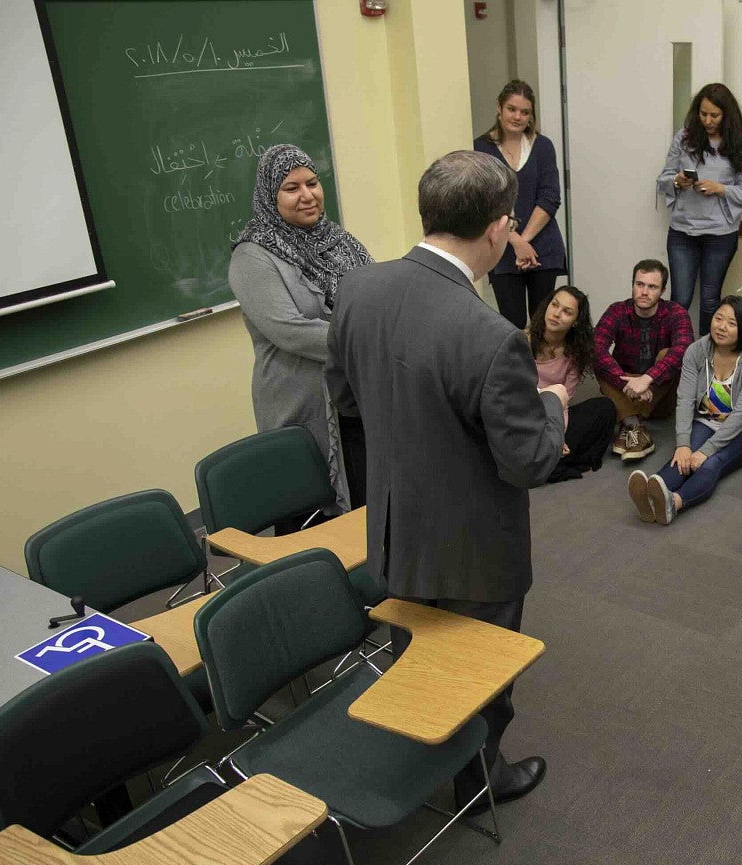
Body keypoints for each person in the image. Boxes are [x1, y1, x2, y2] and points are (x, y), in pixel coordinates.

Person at [325, 150, 567, 812]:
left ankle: (422, 760)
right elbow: (528, 462)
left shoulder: (358, 289)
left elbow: (346, 401)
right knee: (481, 670)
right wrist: (554, 406)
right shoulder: (490, 337)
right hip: (475, 547)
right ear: (497, 228)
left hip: (397, 530)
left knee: (418, 649)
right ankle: (481, 780)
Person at [229, 144, 373, 526]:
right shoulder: (253, 255)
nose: (307, 195)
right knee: (312, 517)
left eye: (312, 182)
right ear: (269, 195)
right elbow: (289, 330)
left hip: (355, 397)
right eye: (291, 188)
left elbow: (372, 296)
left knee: (365, 505)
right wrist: (368, 338)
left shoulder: (339, 240)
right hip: (303, 406)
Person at [627, 297, 742, 525]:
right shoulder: (696, 350)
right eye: (718, 318)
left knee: (710, 462)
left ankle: (674, 502)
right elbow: (684, 399)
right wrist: (683, 443)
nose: (721, 326)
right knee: (682, 458)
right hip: (706, 420)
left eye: (731, 323)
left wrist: (707, 449)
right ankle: (654, 491)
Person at [656, 82, 742, 334]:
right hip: (683, 230)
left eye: (715, 115)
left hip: (720, 233)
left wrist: (719, 188)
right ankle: (675, 357)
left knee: (711, 301)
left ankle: (708, 357)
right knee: (680, 299)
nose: (708, 120)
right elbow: (664, 178)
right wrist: (678, 181)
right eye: (703, 114)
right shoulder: (684, 137)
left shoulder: (740, 139)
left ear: (727, 114)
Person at [473, 80, 566, 329]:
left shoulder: (543, 146)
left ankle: (543, 370)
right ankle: (518, 370)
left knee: (545, 326)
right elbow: (485, 201)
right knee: (511, 326)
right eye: (512, 109)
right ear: (499, 108)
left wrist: (524, 241)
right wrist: (515, 242)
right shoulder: (480, 148)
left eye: (525, 112)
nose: (518, 116)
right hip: (502, 251)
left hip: (543, 249)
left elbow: (550, 197)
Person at [592, 259, 694, 461]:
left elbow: (684, 349)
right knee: (600, 360)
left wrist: (648, 379)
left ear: (662, 290)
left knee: (669, 355)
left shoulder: (676, 313)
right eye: (640, 284)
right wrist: (628, 384)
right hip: (625, 385)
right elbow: (597, 348)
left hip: (659, 394)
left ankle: (626, 418)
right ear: (632, 285)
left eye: (652, 286)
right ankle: (634, 425)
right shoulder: (617, 310)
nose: (644, 292)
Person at [528, 286, 616, 482]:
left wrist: (557, 436)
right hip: (524, 418)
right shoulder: (521, 340)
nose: (556, 314)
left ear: (575, 322)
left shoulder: (576, 353)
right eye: (554, 305)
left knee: (605, 408)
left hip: (553, 417)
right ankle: (550, 463)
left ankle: (548, 462)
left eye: (567, 312)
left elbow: (563, 403)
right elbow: (513, 397)